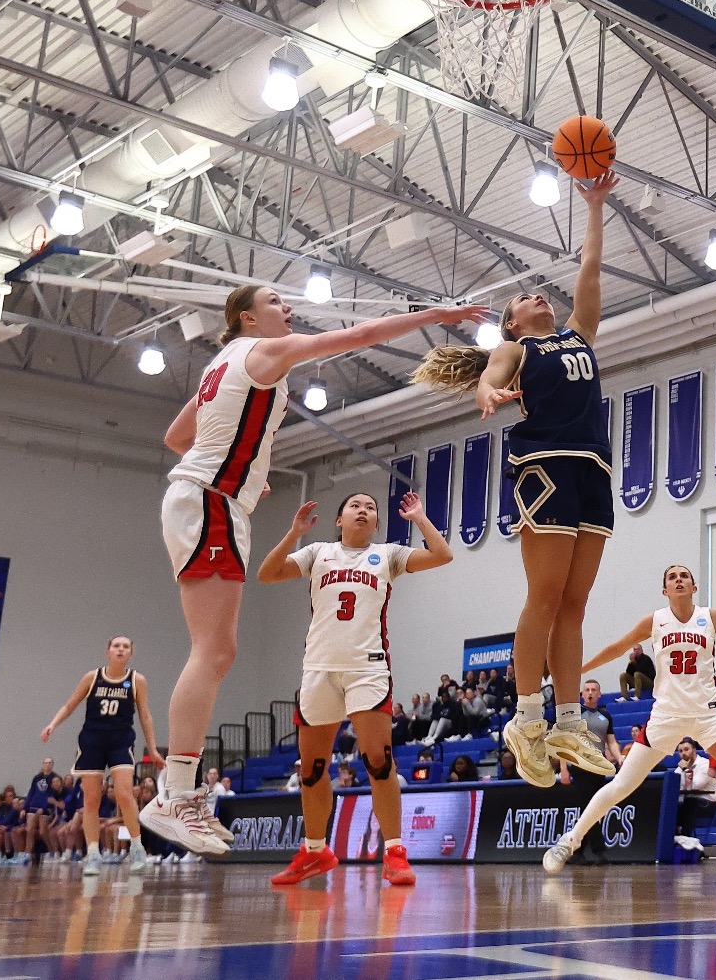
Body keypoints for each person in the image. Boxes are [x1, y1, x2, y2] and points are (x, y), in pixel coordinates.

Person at [150, 285, 483, 853]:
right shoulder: (264, 351)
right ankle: (177, 794)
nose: (289, 309)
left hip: (208, 498)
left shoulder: (222, 364)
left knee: (216, 651)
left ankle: (178, 793)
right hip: (212, 501)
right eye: (276, 301)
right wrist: (436, 315)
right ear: (248, 317)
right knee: (213, 651)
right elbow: (359, 336)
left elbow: (177, 437)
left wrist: (243, 460)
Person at [412, 172, 621, 789]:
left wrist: (595, 207)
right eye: (526, 299)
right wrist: (486, 391)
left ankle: (566, 721)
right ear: (511, 322)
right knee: (545, 595)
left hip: (593, 467)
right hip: (546, 466)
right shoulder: (518, 352)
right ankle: (526, 716)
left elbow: (591, 269)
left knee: (576, 605)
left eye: (540, 294)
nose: (539, 298)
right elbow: (489, 375)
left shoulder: (579, 335)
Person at [542, 565, 716, 875]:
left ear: (693, 586)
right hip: (667, 716)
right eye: (671, 577)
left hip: (708, 714)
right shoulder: (655, 621)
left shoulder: (712, 618)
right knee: (623, 784)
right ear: (665, 590)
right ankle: (569, 841)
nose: (678, 580)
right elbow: (617, 648)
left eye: (684, 576)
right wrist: (578, 671)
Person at [257, 490, 453, 887]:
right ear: (339, 519)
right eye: (355, 506)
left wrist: (418, 518)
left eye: (370, 509)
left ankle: (395, 851)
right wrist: (294, 533)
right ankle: (315, 851)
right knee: (311, 771)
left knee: (378, 762)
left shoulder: (389, 555)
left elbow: (442, 554)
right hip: (318, 670)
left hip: (367, 670)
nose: (363, 511)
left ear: (377, 524)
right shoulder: (317, 553)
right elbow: (267, 573)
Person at [38, 635, 162, 874]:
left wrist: (153, 749)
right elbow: (70, 705)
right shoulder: (92, 677)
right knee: (91, 801)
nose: (121, 649)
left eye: (126, 647)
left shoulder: (137, 680)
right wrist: (53, 725)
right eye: (116, 646)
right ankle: (93, 854)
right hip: (92, 741)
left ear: (130, 654)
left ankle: (137, 848)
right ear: (107, 652)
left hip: (120, 741)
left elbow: (145, 715)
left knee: (125, 795)